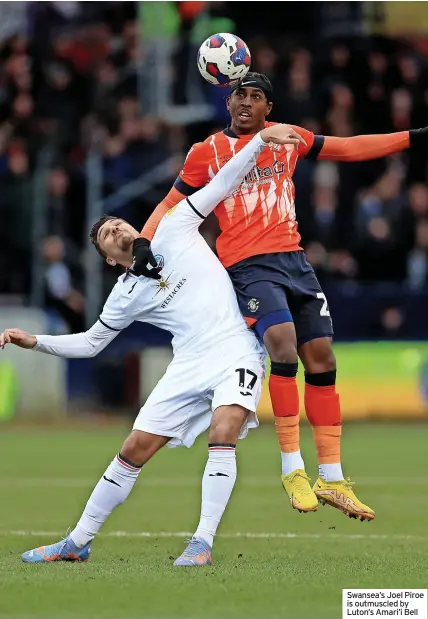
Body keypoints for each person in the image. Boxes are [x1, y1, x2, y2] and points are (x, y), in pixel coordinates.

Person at [1, 124, 300, 567]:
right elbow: (91, 343)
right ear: (107, 257)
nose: (117, 230)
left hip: (236, 347)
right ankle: (77, 542)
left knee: (223, 432)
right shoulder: (124, 295)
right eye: (107, 234)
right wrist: (35, 342)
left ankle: (201, 542)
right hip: (189, 362)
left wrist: (258, 141)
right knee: (132, 449)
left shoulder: (176, 227)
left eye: (119, 223)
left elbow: (221, 183)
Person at [134, 72, 428, 520]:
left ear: (269, 108)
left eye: (257, 96)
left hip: (294, 261)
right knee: (283, 346)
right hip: (247, 267)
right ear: (228, 102)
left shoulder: (286, 138)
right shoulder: (206, 152)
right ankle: (293, 469)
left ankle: (331, 478)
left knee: (324, 359)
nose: (246, 103)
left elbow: (348, 148)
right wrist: (142, 241)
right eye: (239, 95)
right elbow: (170, 204)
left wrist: (412, 137)